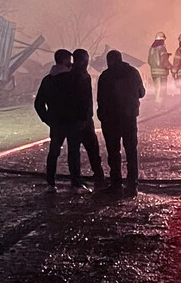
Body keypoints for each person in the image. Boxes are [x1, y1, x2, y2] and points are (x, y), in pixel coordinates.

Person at [34, 48, 94, 191]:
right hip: (73, 122)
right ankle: (76, 183)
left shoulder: (48, 80)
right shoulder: (73, 78)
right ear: (66, 60)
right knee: (74, 153)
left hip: (56, 123)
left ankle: (50, 183)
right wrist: (82, 119)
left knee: (54, 152)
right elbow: (82, 100)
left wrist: (47, 119)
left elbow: (38, 104)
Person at [98, 49, 146, 191]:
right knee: (131, 150)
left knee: (113, 151)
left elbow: (100, 99)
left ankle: (116, 182)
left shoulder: (105, 76)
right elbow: (141, 93)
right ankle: (132, 182)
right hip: (129, 117)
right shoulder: (133, 72)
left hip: (110, 119)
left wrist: (102, 115)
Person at [72, 49, 105, 185]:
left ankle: (83, 177)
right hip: (81, 119)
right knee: (90, 148)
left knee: (77, 150)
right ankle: (95, 176)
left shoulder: (76, 74)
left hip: (80, 119)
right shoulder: (79, 76)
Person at [147, 33, 171, 104]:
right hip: (162, 73)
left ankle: (157, 104)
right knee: (161, 90)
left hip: (154, 72)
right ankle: (159, 105)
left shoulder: (151, 49)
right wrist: (171, 67)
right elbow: (164, 61)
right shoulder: (162, 48)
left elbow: (149, 60)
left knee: (157, 89)